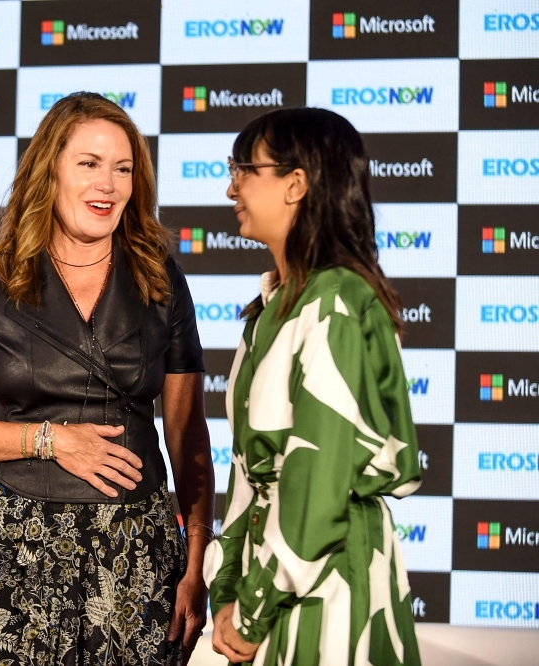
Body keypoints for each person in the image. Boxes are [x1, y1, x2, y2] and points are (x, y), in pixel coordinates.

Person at [0, 92, 215, 665]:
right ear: (49, 171)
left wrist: (197, 560)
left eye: (123, 168)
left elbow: (187, 434)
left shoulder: (162, 279)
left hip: (135, 554)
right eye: (90, 164)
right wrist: (52, 441)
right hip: (10, 544)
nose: (109, 184)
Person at [204, 107, 423, 665]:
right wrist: (226, 590)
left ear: (295, 184)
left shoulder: (338, 303)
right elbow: (248, 475)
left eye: (244, 169)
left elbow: (317, 483)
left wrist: (250, 609)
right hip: (275, 591)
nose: (231, 187)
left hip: (329, 588)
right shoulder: (272, 308)